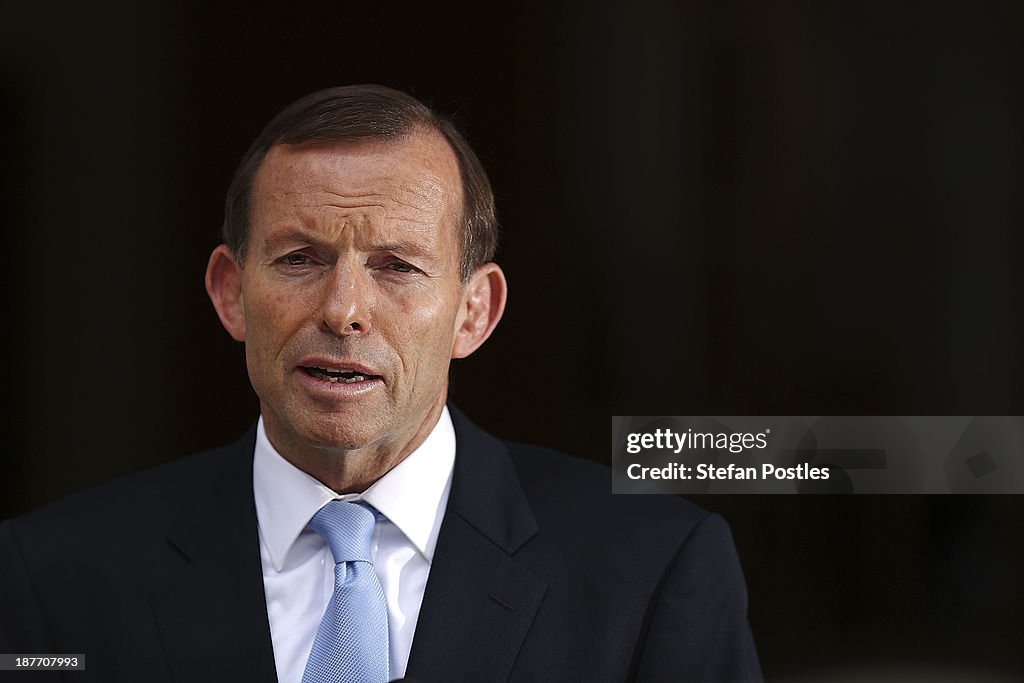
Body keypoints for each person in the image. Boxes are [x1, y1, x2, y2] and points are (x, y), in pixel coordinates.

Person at [0, 85, 762, 682]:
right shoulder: (57, 578)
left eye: (397, 266)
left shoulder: (655, 571)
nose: (344, 310)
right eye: (300, 258)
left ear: (475, 311)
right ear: (231, 292)